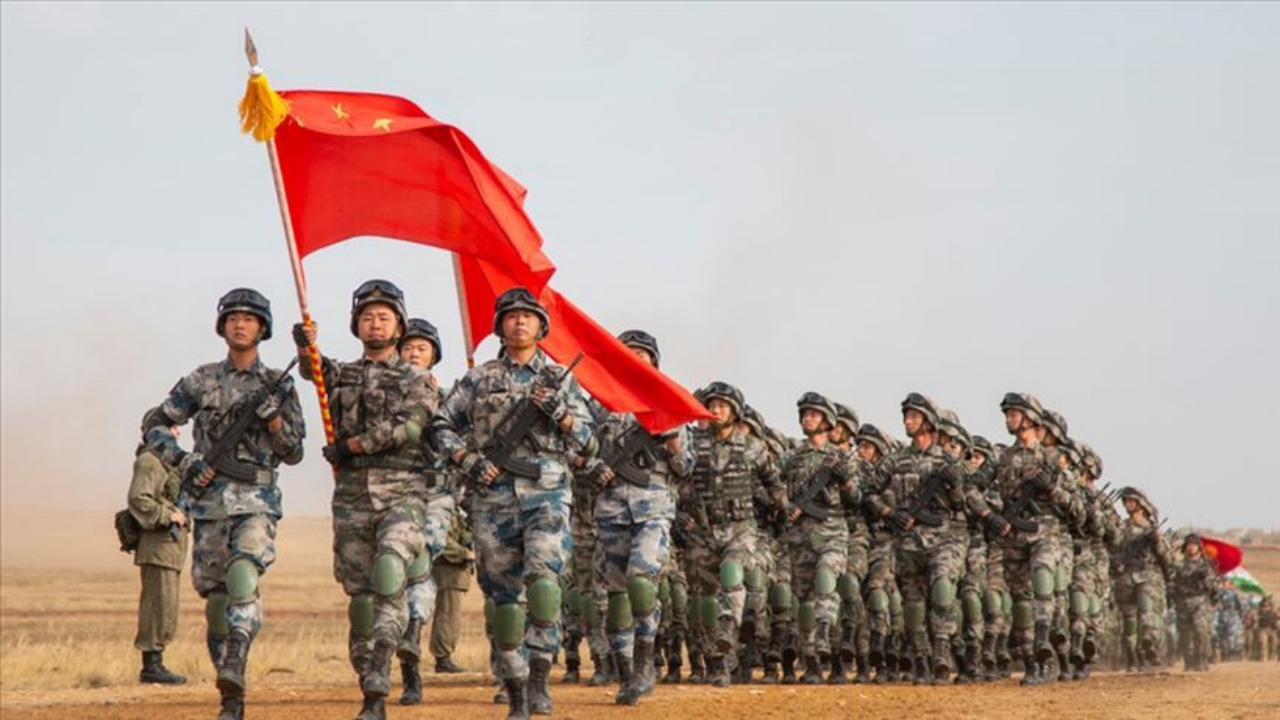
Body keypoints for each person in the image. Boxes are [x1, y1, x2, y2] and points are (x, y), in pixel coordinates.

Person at [143, 288, 305, 720]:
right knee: (216, 603)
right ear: (222, 326)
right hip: (209, 502)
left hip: (257, 500)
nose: (240, 324)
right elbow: (155, 424)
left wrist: (272, 416)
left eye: (249, 319)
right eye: (232, 317)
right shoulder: (201, 379)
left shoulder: (280, 384)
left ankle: (237, 653)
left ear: (261, 329)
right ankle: (231, 695)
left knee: (242, 575)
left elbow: (293, 450)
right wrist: (184, 460)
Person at [434, 287, 595, 719]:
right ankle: (516, 686)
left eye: (528, 317)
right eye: (511, 316)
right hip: (493, 498)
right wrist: (467, 460)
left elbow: (587, 440)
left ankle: (540, 679)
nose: (519, 322)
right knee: (504, 599)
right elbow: (441, 425)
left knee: (544, 584)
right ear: (499, 326)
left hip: (547, 494)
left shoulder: (561, 380)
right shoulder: (478, 379)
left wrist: (560, 413)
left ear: (541, 327)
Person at [296, 281, 437, 720]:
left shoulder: (418, 379)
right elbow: (312, 371)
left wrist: (352, 446)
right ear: (357, 325)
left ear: (399, 325)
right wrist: (306, 346)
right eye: (367, 316)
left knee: (390, 571)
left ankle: (381, 674)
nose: (375, 323)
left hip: (403, 493)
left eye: (384, 316)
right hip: (352, 497)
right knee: (360, 597)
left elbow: (410, 429)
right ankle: (368, 682)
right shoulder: (342, 375)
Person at [582, 330, 692, 705]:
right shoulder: (601, 404)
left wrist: (673, 438)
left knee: (641, 580)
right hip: (611, 508)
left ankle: (646, 660)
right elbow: (579, 449)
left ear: (653, 363)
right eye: (628, 354)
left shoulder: (669, 402)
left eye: (642, 356)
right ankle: (626, 671)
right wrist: (593, 467)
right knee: (616, 595)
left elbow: (684, 467)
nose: (635, 361)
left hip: (653, 508)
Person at [678, 382, 786, 688]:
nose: (715, 410)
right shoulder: (693, 443)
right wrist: (679, 512)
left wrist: (779, 504)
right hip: (702, 531)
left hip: (740, 530)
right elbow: (678, 479)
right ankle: (720, 663)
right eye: (711, 405)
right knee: (703, 601)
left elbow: (774, 482)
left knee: (732, 574)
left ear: (735, 411)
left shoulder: (751, 447)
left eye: (722, 405)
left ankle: (728, 627)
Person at [390, 317, 461, 706]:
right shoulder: (383, 391)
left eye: (422, 348)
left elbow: (463, 438)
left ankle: (413, 639)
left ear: (434, 356)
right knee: (391, 575)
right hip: (393, 494)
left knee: (421, 561)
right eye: (408, 347)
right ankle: (403, 640)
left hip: (436, 493)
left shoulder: (449, 396)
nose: (414, 353)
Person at [990, 392, 1076, 686]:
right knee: (1021, 602)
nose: (1008, 419)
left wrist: (1052, 490)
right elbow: (981, 492)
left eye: (1014, 413)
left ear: (1030, 419)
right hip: (1014, 535)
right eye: (1007, 414)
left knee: (1042, 582)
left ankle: (1044, 646)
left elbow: (1077, 509)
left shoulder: (1053, 460)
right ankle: (1032, 663)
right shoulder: (1004, 458)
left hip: (1045, 533)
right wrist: (993, 517)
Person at [777, 393, 856, 684]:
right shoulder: (792, 456)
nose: (807, 418)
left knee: (827, 582)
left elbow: (855, 498)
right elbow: (770, 482)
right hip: (800, 537)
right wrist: (783, 505)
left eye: (813, 414)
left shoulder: (840, 457)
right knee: (806, 602)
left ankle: (831, 651)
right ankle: (812, 661)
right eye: (804, 414)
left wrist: (846, 478)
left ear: (826, 420)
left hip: (832, 532)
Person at [128, 420, 191, 685]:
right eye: (173, 427)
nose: (178, 432)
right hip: (158, 546)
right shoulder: (150, 461)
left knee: (167, 605)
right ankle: (151, 665)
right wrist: (169, 516)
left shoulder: (167, 463)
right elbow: (138, 499)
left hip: (169, 548)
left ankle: (156, 662)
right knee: (157, 605)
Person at [1112, 486, 1172, 672]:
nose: (1128, 504)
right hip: (1125, 577)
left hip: (1148, 576)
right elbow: (1112, 548)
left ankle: (1149, 648)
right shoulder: (1121, 527)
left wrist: (1157, 542)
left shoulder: (1152, 530)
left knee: (1147, 613)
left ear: (1141, 504)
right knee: (1129, 620)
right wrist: (1116, 564)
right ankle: (1131, 657)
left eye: (1132, 501)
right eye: (1126, 501)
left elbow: (1166, 558)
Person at [1170, 534, 1219, 672]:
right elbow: (1171, 583)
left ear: (1199, 547)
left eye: (1194, 545)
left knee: (1200, 632)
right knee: (1185, 635)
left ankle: (1202, 659)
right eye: (1189, 545)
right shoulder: (1178, 565)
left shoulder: (1206, 565)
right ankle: (1189, 662)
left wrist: (1207, 579)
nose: (1191, 548)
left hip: (1200, 602)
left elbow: (1214, 586)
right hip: (1182, 603)